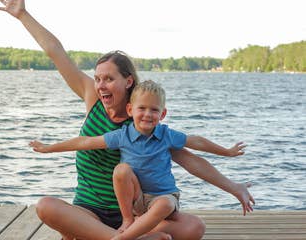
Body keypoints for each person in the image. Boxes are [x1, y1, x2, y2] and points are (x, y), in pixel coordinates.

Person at [0, 1, 255, 239]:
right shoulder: (93, 99)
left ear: (128, 81)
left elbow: (191, 161)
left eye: (108, 79)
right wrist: (23, 15)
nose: (100, 85)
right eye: (97, 79)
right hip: (89, 210)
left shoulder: (145, 123)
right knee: (46, 206)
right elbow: (56, 52)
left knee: (194, 227)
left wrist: (235, 188)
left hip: (131, 217)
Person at [29, 80, 249, 240]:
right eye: (142, 108)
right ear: (130, 109)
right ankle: (129, 227)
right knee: (122, 170)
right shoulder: (122, 135)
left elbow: (197, 142)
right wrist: (49, 148)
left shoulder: (166, 135)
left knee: (175, 211)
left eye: (154, 110)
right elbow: (85, 142)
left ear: (162, 114)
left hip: (162, 200)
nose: (147, 114)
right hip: (135, 205)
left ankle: (121, 238)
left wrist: (227, 152)